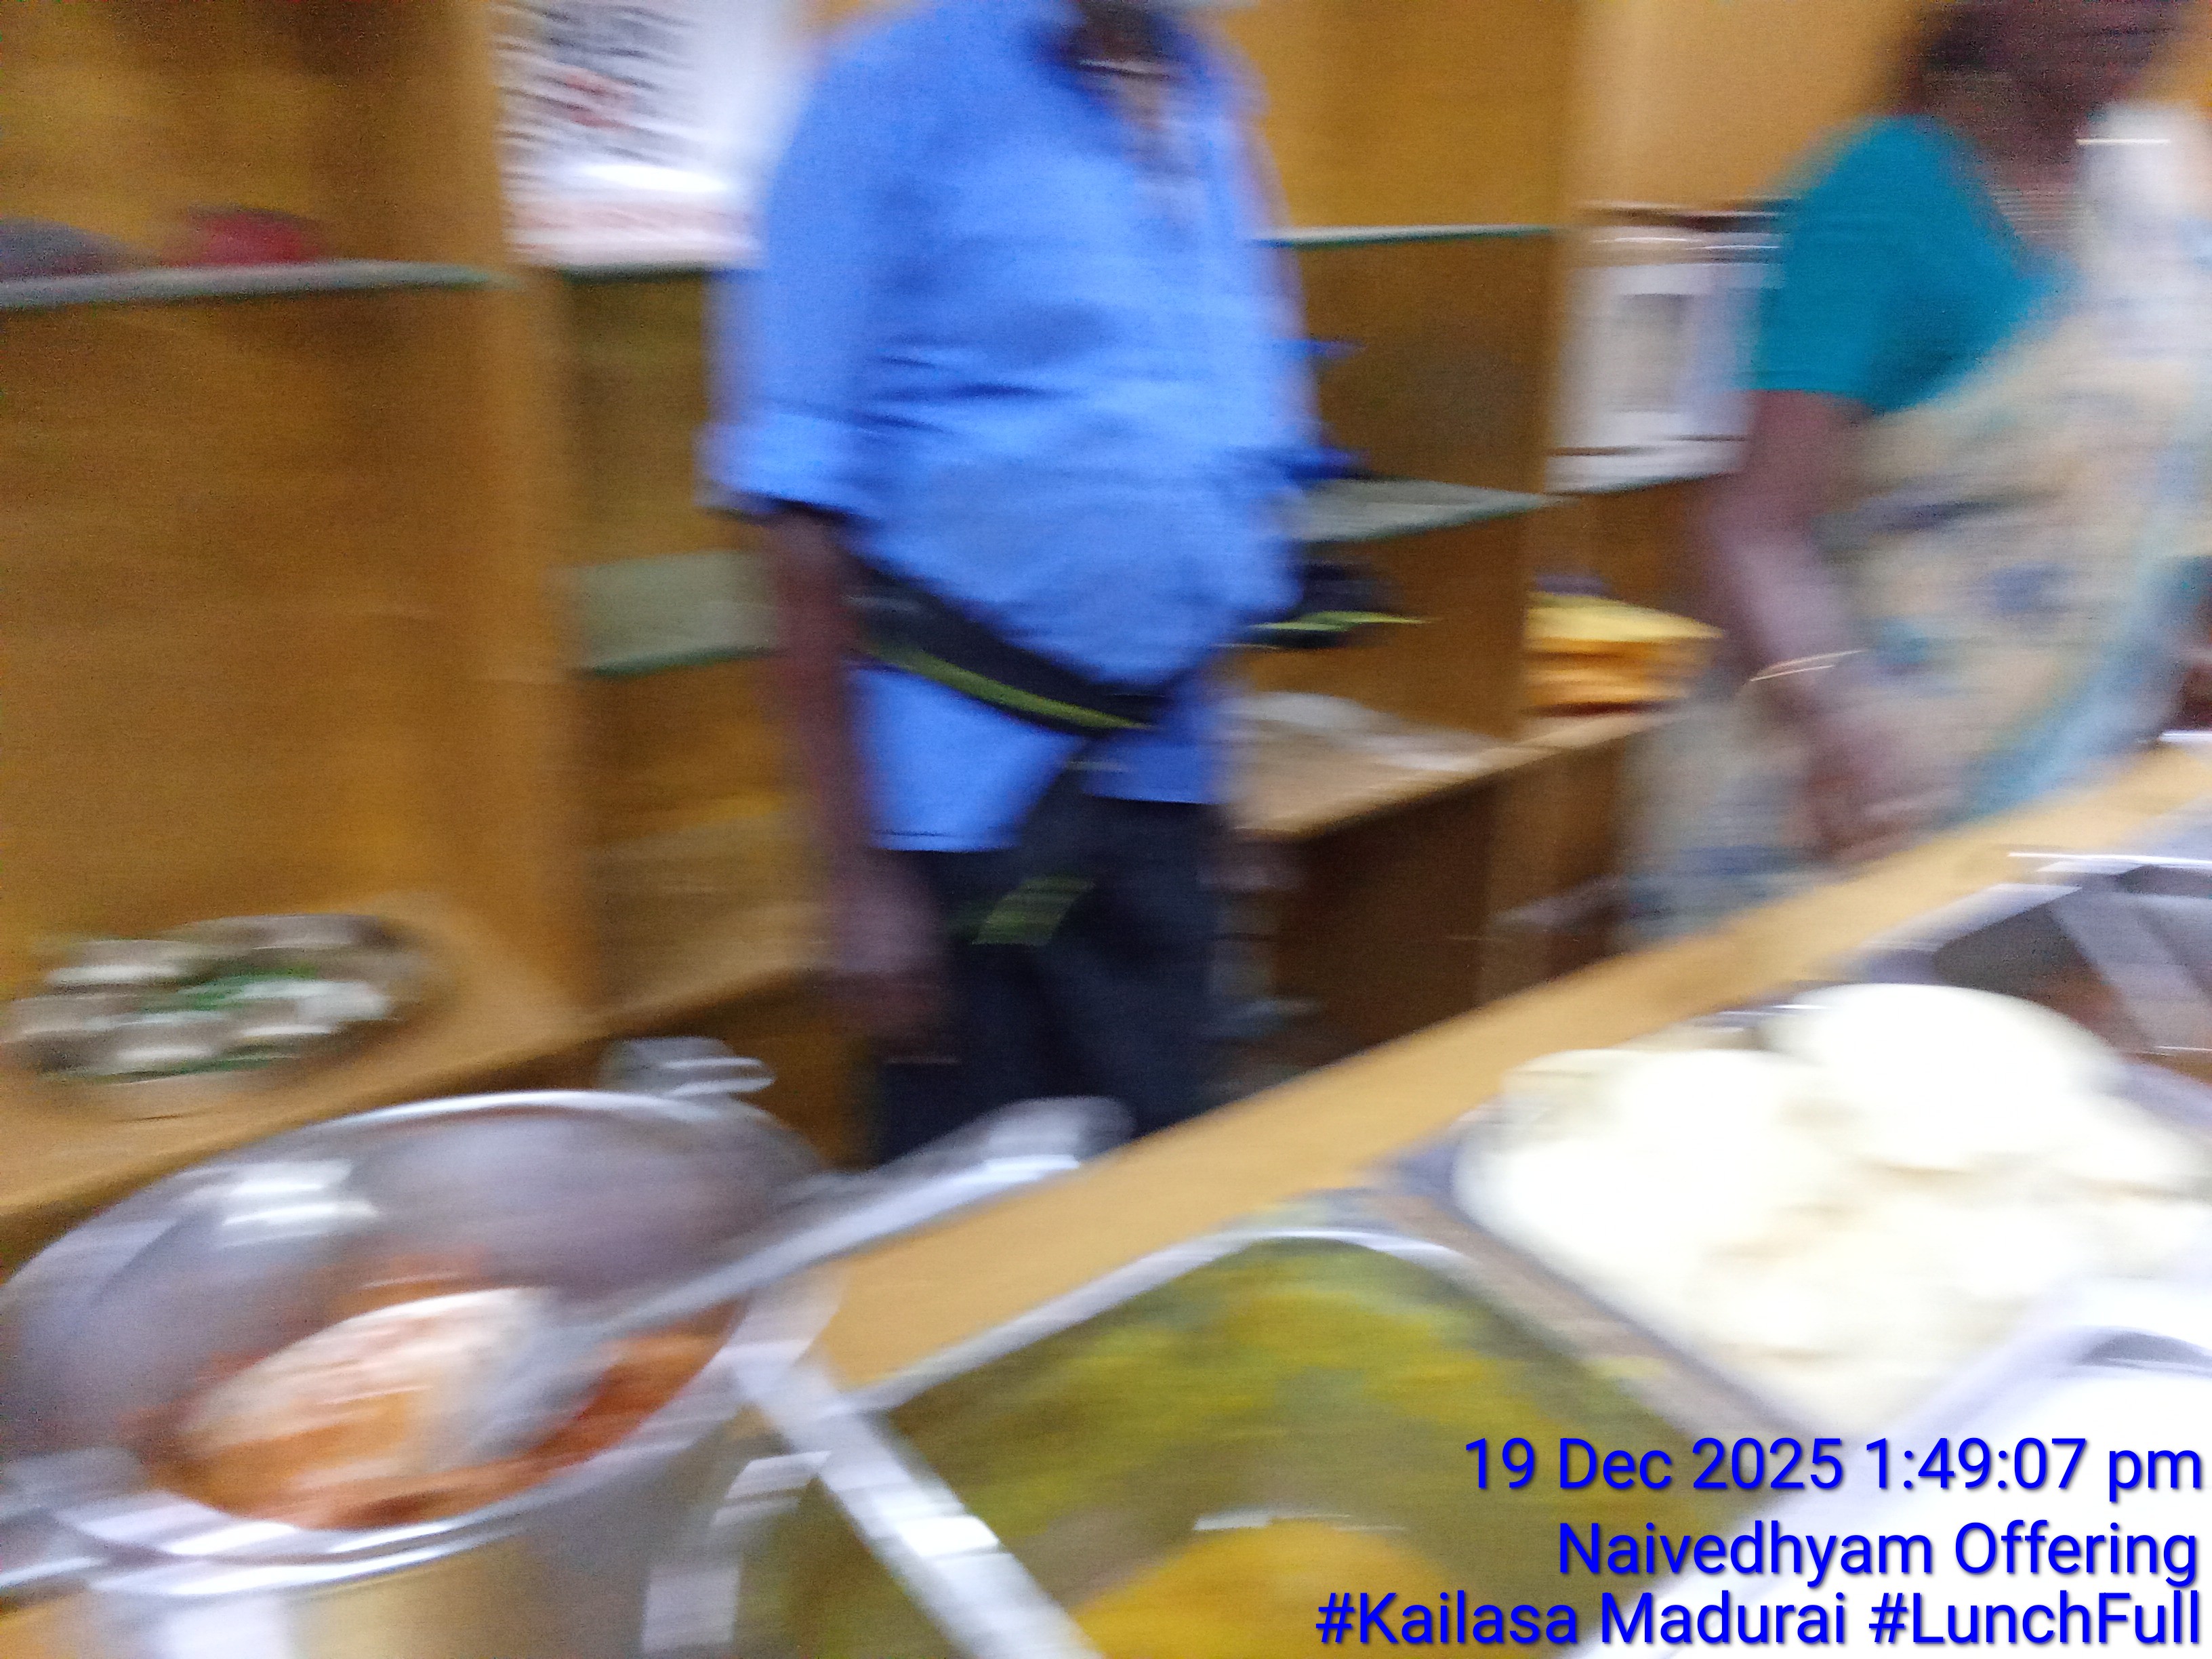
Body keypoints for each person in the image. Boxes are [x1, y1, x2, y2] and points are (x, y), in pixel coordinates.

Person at [705, 0, 1311, 1158]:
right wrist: (856, 881)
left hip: (1163, 777)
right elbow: (797, 508)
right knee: (985, 1202)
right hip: (961, 816)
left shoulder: (1210, 112)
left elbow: (1210, 470)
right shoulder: (888, 95)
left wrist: (1222, 795)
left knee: (1162, 1171)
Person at [1632, 0, 2212, 940]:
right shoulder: (1883, 192)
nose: (2132, 10)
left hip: (2051, 802)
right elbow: (1752, 529)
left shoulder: (2160, 195)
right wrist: (1836, 723)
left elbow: (2158, 472)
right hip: (1829, 824)